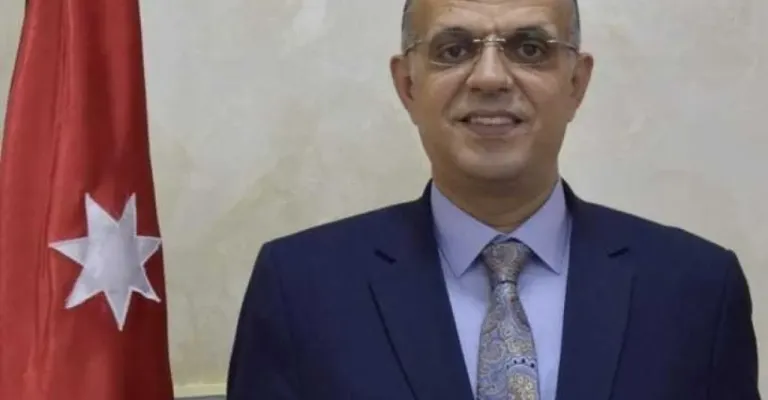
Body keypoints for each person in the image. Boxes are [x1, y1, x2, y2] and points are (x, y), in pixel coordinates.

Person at [226, 0, 760, 398]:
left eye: (529, 49)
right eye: (454, 50)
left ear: (576, 82)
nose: (489, 78)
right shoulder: (300, 288)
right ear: (408, 85)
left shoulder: (697, 290)